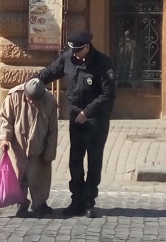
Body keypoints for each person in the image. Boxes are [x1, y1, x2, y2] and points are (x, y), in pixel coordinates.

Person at [37, 31, 116, 218]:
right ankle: (76, 200)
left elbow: (108, 95)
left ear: (87, 47)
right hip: (75, 117)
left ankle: (89, 201)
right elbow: (50, 73)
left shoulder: (103, 63)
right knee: (75, 161)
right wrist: (33, 81)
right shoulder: (68, 58)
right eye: (72, 50)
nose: (74, 54)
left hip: (96, 119)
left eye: (78, 51)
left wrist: (87, 112)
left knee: (94, 161)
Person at [0, 78, 58, 218]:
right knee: (20, 176)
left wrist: (50, 152)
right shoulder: (13, 96)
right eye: (30, 99)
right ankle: (22, 203)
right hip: (18, 145)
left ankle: (40, 204)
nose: (32, 102)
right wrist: (5, 138)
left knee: (40, 177)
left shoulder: (50, 102)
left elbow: (53, 131)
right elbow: (6, 119)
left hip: (39, 147)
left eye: (35, 100)